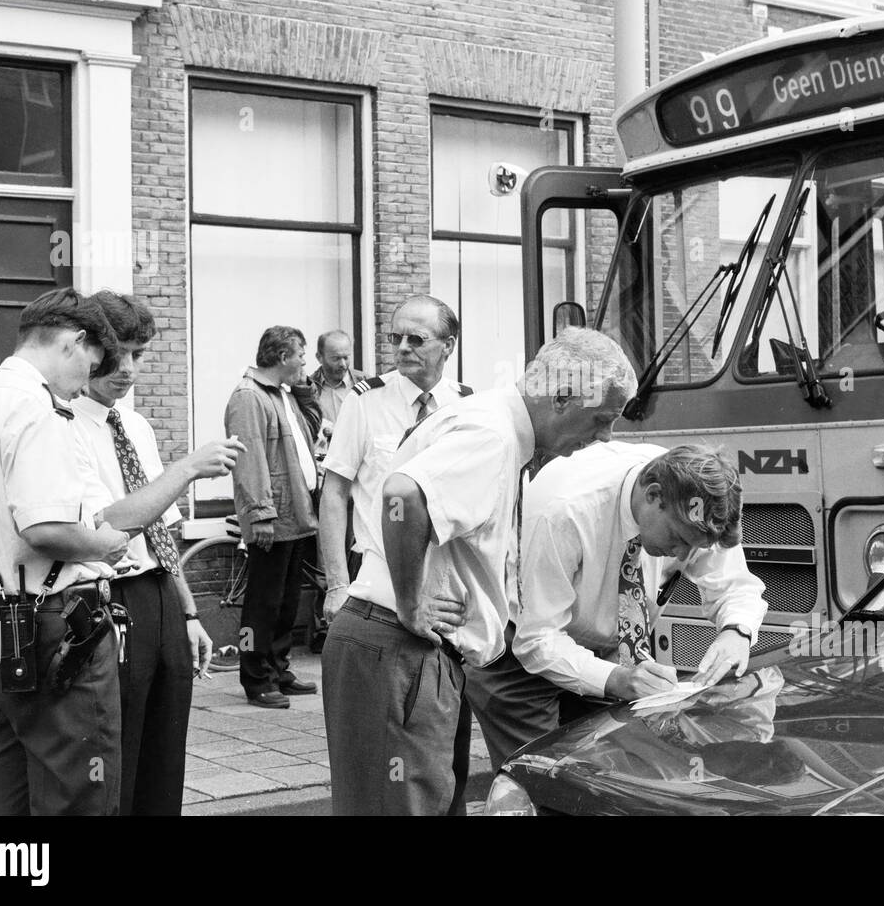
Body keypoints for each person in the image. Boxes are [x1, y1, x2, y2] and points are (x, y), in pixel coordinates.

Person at [322, 327, 636, 816]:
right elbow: (403, 496)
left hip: (407, 651)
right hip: (401, 645)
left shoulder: (490, 422)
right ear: (562, 396)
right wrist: (411, 602)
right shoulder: (493, 434)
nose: (604, 436)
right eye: (601, 419)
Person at [464, 441, 768, 769]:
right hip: (518, 657)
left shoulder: (697, 507)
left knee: (618, 775)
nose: (682, 557)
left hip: (612, 653)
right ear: (653, 495)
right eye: (677, 540)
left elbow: (735, 586)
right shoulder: (564, 509)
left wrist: (736, 632)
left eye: (692, 547)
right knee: (540, 780)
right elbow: (538, 639)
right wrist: (619, 680)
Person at [0, 289, 128, 815]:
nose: (86, 382)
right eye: (91, 365)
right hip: (52, 627)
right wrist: (105, 544)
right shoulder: (41, 407)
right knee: (78, 794)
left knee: (5, 793)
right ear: (74, 342)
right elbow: (44, 527)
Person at [72, 290, 243, 814]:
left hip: (159, 595)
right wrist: (187, 469)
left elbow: (162, 531)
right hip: (108, 599)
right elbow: (106, 523)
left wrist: (188, 612)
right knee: (114, 746)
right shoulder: (63, 424)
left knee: (166, 745)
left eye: (138, 355)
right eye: (116, 353)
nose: (127, 370)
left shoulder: (137, 425)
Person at [316, 296, 470, 618]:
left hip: (446, 583)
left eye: (416, 339)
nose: (402, 347)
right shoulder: (365, 402)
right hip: (378, 580)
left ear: (448, 345)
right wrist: (337, 584)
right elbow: (334, 492)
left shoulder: (466, 406)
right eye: (396, 338)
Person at [224, 326, 320, 708]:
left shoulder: (282, 394)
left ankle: (278, 668)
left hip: (295, 514)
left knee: (285, 601)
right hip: (273, 517)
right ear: (282, 357)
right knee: (261, 604)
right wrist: (260, 514)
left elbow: (310, 431)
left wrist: (303, 390)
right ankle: (256, 677)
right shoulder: (249, 398)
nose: (305, 363)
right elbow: (248, 462)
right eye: (301, 356)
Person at [308, 329, 363, 458]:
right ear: (319, 357)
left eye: (346, 357)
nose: (343, 364)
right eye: (336, 358)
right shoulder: (307, 389)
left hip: (358, 460)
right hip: (323, 463)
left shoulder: (365, 383)